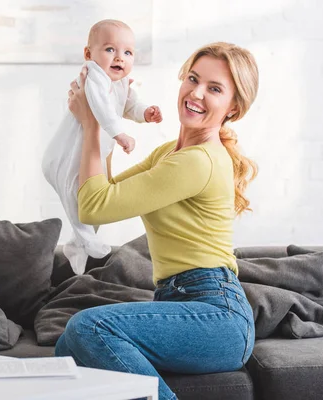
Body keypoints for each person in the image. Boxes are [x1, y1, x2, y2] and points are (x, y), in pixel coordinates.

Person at [54, 42, 259, 400]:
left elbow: (93, 207)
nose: (196, 93)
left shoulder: (197, 162)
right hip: (178, 301)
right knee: (66, 351)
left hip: (216, 314)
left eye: (214, 89)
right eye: (193, 79)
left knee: (88, 326)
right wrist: (103, 119)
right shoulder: (171, 153)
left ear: (234, 108)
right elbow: (103, 189)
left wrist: (91, 124)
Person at [42, 19, 163, 275]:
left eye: (127, 52)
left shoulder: (121, 82)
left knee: (95, 199)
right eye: (110, 49)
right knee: (76, 195)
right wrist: (119, 134)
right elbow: (99, 106)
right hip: (65, 154)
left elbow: (130, 106)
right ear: (89, 54)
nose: (120, 57)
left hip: (92, 153)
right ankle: (84, 237)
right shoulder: (94, 75)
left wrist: (145, 113)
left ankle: (80, 243)